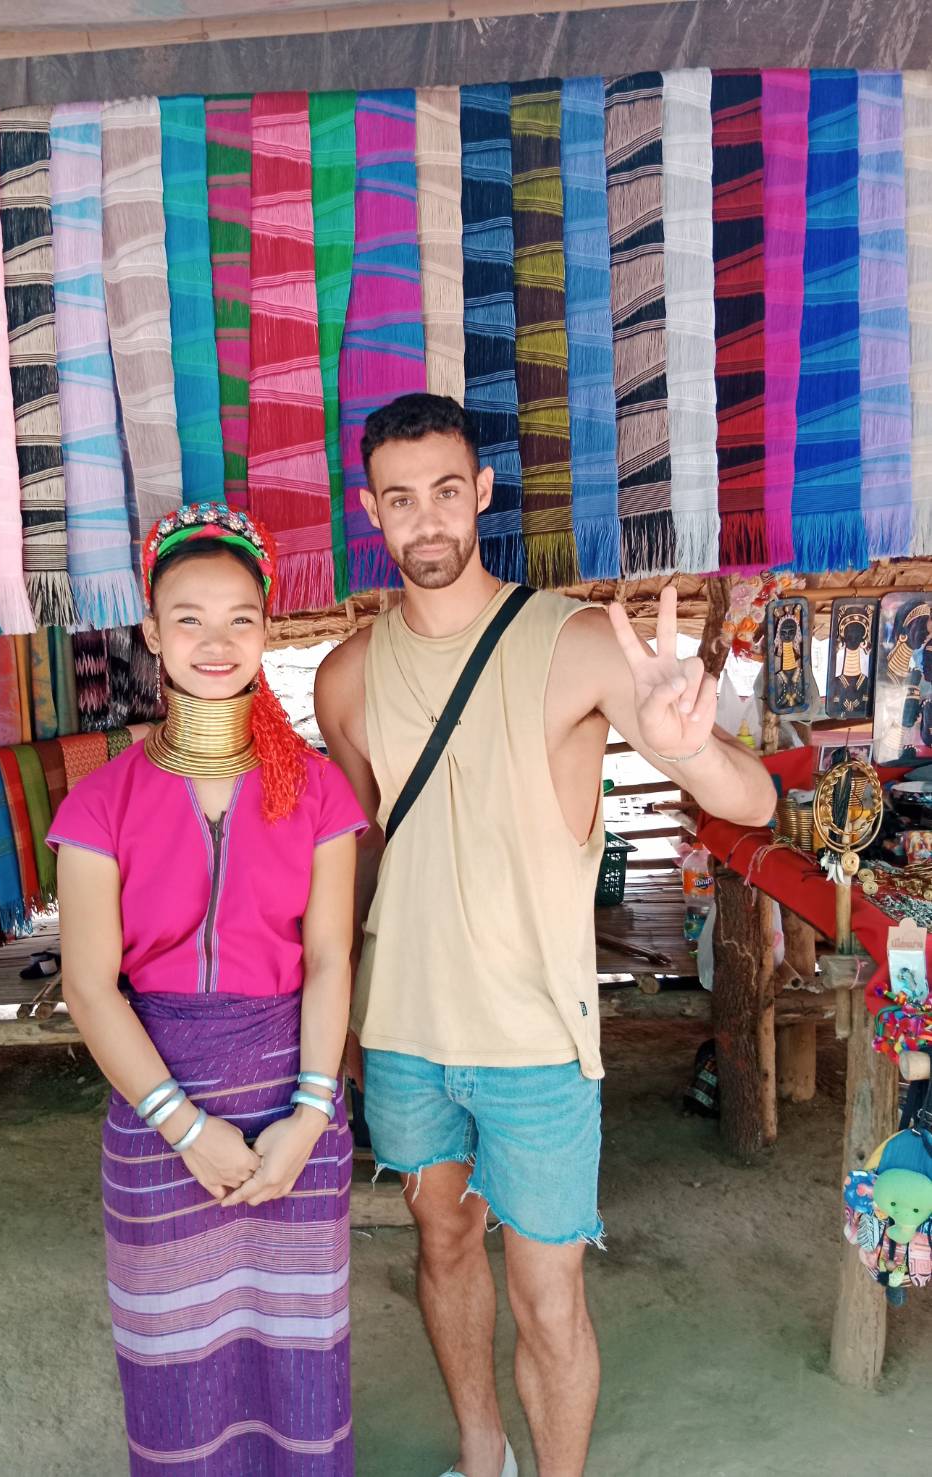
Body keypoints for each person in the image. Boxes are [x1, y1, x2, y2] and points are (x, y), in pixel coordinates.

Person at [315, 394, 777, 1477]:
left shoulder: (571, 643)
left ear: (481, 493)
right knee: (441, 1245)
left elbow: (752, 802)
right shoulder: (345, 678)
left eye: (446, 491)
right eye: (399, 499)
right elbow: (364, 859)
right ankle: (483, 1454)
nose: (426, 519)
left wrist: (688, 748)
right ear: (371, 512)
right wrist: (340, 1023)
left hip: (535, 1041)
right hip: (403, 1034)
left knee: (548, 1294)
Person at [50, 504, 367, 1476]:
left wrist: (309, 1115)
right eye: (188, 618)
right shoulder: (99, 802)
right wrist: (186, 1128)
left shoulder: (317, 790)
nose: (216, 641)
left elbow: (329, 960)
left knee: (298, 1355)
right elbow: (89, 987)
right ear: (151, 631)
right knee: (176, 1364)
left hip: (294, 1115)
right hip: (158, 1121)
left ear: (267, 630)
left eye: (240, 618)